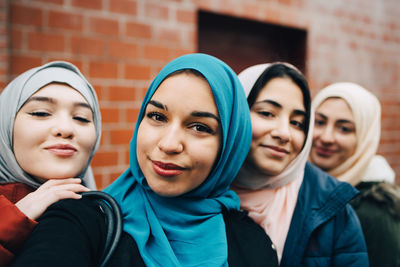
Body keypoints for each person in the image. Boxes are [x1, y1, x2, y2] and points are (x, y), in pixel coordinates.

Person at [12, 54, 279, 267]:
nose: (168, 144)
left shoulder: (252, 243)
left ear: (230, 145)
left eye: (199, 127)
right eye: (157, 117)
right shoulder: (84, 219)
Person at [231, 63, 369, 266]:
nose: (284, 133)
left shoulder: (333, 209)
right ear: (237, 113)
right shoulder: (199, 191)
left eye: (297, 123)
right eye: (267, 113)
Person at [0, 61, 101, 266]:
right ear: (5, 126)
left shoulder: (109, 213)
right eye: (41, 113)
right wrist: (13, 218)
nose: (65, 129)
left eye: (81, 118)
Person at [309, 82, 400, 267]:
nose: (326, 137)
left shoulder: (375, 212)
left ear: (365, 137)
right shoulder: (303, 188)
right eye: (319, 122)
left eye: (344, 128)